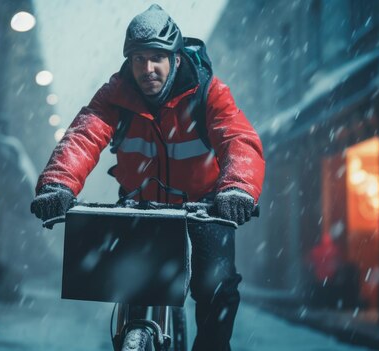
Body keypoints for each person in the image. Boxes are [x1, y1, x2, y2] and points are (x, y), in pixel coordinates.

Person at [31, 4, 264, 350]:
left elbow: (237, 138)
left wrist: (237, 189)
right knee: (130, 286)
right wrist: (58, 183)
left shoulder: (206, 92)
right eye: (139, 59)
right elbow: (84, 135)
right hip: (142, 208)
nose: (147, 68)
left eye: (157, 57)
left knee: (216, 290)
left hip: (204, 208)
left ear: (176, 58)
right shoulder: (117, 95)